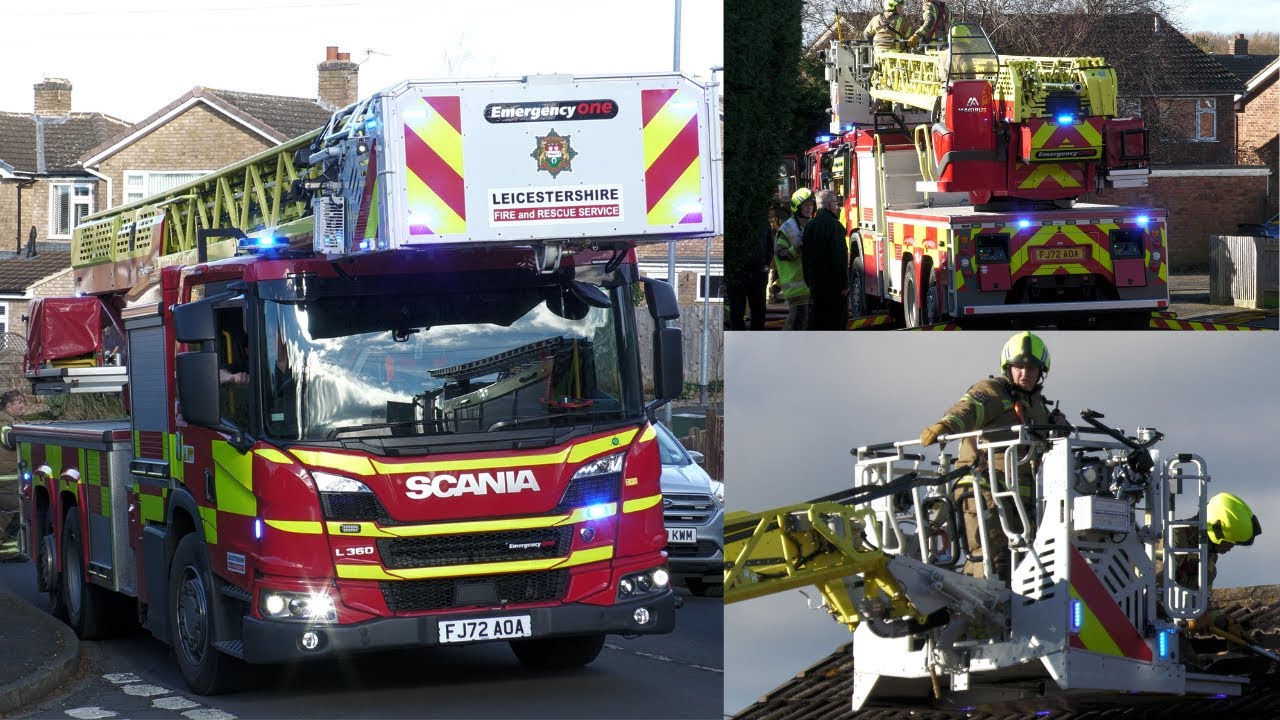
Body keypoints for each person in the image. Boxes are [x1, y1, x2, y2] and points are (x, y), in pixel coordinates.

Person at [919, 332, 1069, 580]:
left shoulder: (1038, 404)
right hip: (985, 488)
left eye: (1031, 368)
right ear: (1007, 368)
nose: (1024, 373)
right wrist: (945, 426)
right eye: (1018, 367)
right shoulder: (992, 391)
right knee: (993, 558)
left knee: (1020, 559)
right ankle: (979, 605)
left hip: (1022, 498)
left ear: (1041, 371)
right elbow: (967, 409)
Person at [1159, 492, 1260, 639]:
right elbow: (1150, 592)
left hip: (1175, 628)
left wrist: (1225, 624)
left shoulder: (1209, 556)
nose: (1231, 547)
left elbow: (1202, 607)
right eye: (1230, 541)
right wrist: (1187, 617)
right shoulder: (1175, 540)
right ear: (1216, 530)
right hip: (1150, 625)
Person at [801, 189, 849, 331]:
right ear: (829, 205)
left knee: (818, 321)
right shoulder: (834, 226)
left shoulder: (810, 226)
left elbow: (805, 257)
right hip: (833, 287)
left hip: (816, 284)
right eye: (835, 203)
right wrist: (844, 284)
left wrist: (808, 281)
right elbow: (838, 258)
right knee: (835, 323)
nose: (837, 206)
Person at [727, 206, 780, 330]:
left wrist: (765, 266)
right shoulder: (733, 219)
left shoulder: (762, 222)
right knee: (737, 311)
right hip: (738, 273)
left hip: (757, 271)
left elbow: (769, 245)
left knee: (758, 310)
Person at [775, 189, 816, 330]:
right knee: (797, 322)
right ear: (797, 206)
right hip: (796, 287)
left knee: (807, 324)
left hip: (811, 286)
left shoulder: (812, 224)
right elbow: (780, 253)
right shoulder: (788, 228)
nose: (809, 208)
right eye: (806, 205)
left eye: (811, 205)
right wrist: (796, 248)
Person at [0, 390, 28, 562]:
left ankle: (9, 551)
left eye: (22, 401)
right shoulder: (4, 421)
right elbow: (8, 438)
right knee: (12, 515)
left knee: (12, 514)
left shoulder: (12, 421)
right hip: (6, 478)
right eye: (18, 402)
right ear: (8, 406)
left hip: (10, 477)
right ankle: (7, 553)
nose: (22, 405)